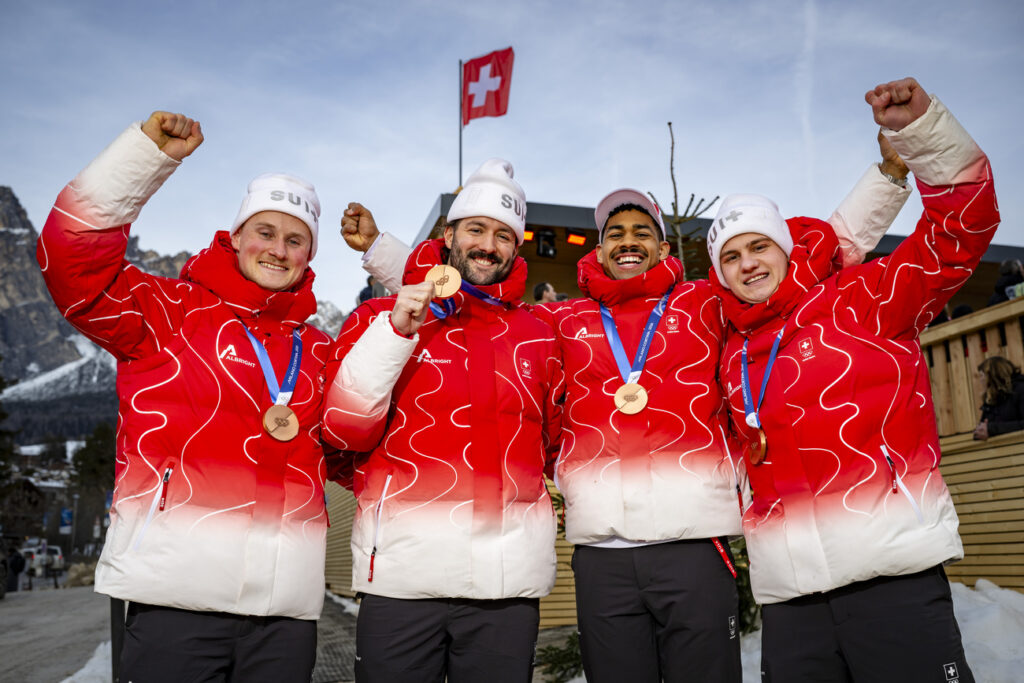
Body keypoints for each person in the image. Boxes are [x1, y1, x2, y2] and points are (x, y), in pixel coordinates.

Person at [341, 151, 908, 682]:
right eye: (615, 232)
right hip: (603, 555)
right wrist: (386, 253)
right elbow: (465, 293)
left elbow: (805, 261)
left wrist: (883, 181)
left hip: (694, 541)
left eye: (643, 233)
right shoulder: (561, 321)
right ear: (599, 249)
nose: (628, 242)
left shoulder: (703, 304)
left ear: (665, 251)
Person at [706, 77, 997, 682]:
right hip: (790, 599)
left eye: (760, 246)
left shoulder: (860, 299)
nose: (748, 264)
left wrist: (919, 136)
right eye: (730, 257)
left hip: (890, 575)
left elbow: (957, 236)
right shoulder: (726, 348)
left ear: (788, 251)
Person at [37, 111, 332, 681]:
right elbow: (72, 263)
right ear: (236, 237)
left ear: (308, 256)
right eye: (265, 233)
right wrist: (145, 159)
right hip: (175, 595)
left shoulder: (319, 348)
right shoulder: (167, 311)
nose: (278, 249)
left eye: (295, 240)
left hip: (285, 609)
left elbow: (354, 439)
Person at [324, 159, 564, 682]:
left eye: (504, 235)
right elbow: (341, 430)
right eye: (476, 229)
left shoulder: (539, 333)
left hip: (506, 583)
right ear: (448, 234)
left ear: (517, 248)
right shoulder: (379, 318)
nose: (488, 245)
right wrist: (395, 332)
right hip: (401, 578)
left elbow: (560, 436)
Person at [974, 356, 1024, 440]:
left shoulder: (1021, 390)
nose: (980, 380)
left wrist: (992, 429)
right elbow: (983, 429)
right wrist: (980, 432)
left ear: (992, 376)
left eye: (982, 375)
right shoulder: (992, 398)